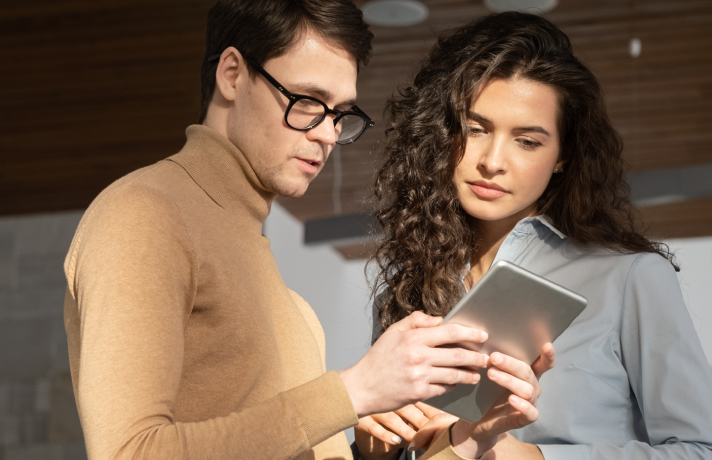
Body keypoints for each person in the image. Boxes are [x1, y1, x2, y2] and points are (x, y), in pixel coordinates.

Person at [61, 1, 497, 459]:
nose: (328, 134)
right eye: (308, 101)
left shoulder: (288, 302)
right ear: (232, 74)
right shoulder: (144, 214)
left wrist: (465, 442)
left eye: (339, 112)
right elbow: (129, 453)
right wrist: (351, 393)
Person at [355, 12, 712, 460]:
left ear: (563, 155)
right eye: (475, 130)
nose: (492, 161)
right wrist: (370, 446)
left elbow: (709, 454)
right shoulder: (411, 287)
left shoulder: (630, 277)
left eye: (528, 141)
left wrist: (537, 458)